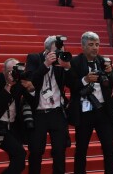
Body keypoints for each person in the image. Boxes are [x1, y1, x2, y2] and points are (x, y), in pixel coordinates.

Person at [66, 31, 113, 174]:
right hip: (84, 112)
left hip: (103, 111)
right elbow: (71, 85)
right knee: (81, 149)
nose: (95, 48)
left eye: (97, 44)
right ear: (83, 46)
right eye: (91, 45)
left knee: (109, 147)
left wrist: (110, 73)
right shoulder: (75, 62)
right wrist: (85, 80)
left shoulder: (103, 61)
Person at [25, 35, 74, 174]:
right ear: (47, 50)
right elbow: (29, 80)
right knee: (35, 151)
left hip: (57, 113)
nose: (59, 53)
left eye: (61, 50)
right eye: (56, 51)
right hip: (39, 113)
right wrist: (45, 64)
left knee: (59, 151)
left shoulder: (62, 62)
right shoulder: (34, 58)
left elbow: (73, 85)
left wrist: (67, 68)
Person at [0, 58, 34, 173]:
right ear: (3, 70)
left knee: (18, 163)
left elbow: (32, 101)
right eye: (10, 70)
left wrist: (31, 89)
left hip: (13, 126)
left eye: (15, 70)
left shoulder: (20, 81)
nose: (13, 73)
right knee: (20, 154)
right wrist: (8, 86)